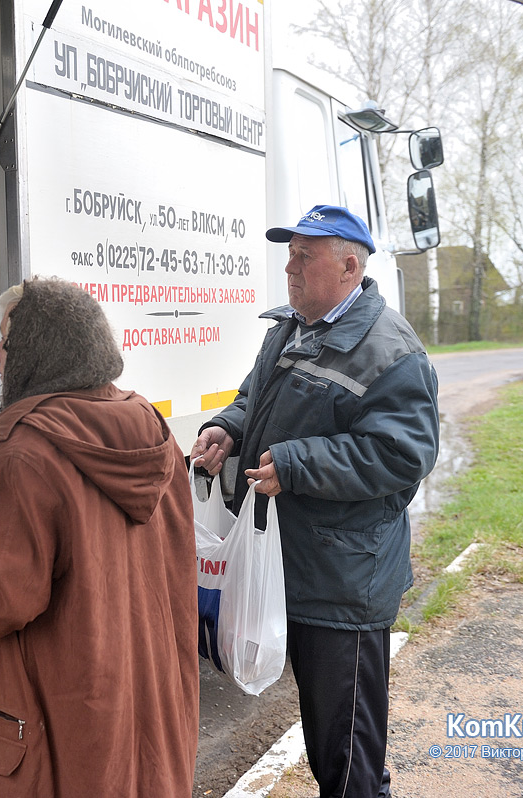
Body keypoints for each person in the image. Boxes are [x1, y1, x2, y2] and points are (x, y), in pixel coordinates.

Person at [0, 277, 198, 797]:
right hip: (139, 696)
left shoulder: (23, 454)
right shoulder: (153, 432)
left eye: (6, 341)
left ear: (39, 353)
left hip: (60, 705)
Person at [190, 205, 439, 798]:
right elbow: (255, 399)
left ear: (350, 267)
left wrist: (298, 464)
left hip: (342, 582)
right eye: (289, 254)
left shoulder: (392, 351)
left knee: (345, 755)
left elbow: (402, 455)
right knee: (334, 741)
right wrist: (228, 427)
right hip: (292, 566)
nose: (290, 267)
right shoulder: (290, 328)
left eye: (305, 256)